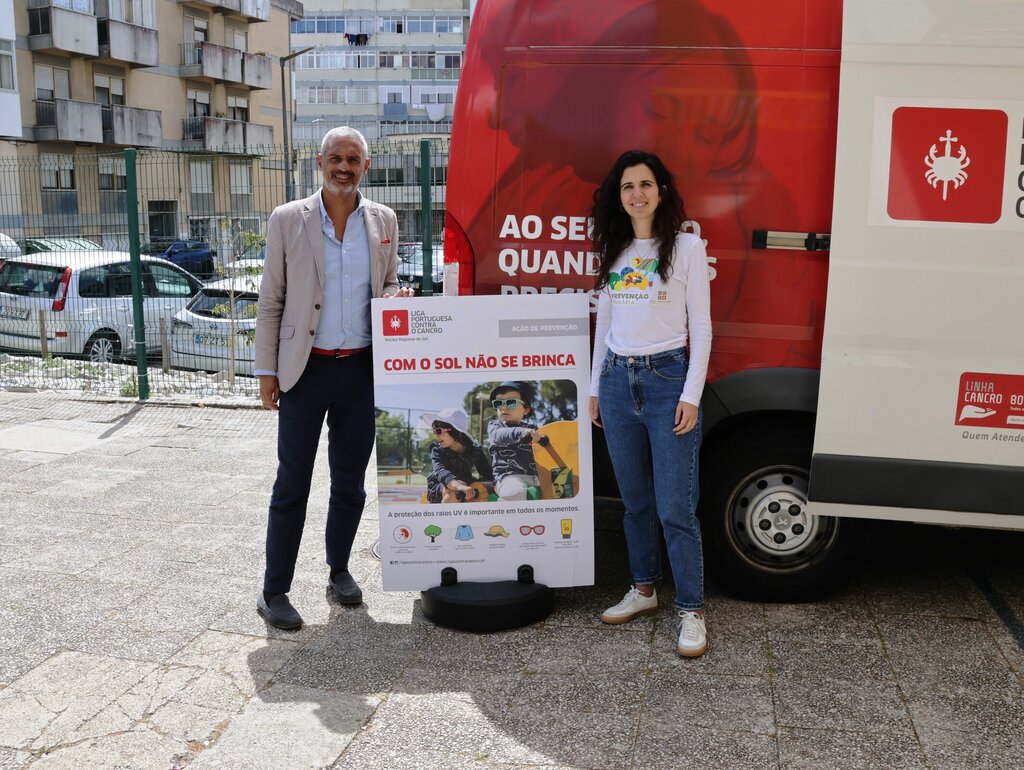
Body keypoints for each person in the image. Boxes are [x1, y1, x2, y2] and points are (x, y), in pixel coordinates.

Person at [254, 126, 414, 630]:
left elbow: (388, 281)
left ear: (366, 166)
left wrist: (395, 297)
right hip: (305, 370)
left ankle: (339, 570)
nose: (344, 167)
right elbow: (271, 301)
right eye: (335, 158)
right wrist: (266, 371)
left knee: (350, 483)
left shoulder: (384, 219)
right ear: (320, 163)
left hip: (362, 370)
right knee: (292, 484)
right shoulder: (288, 219)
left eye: (353, 159)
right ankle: (274, 590)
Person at [588, 150, 713, 658]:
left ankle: (691, 610)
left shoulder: (687, 247)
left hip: (668, 382)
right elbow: (605, 325)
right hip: (618, 383)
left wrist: (691, 395)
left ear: (661, 190)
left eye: (644, 184)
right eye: (627, 187)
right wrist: (595, 388)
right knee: (635, 501)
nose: (636, 194)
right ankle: (644, 589)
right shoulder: (615, 249)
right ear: (618, 197)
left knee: (676, 508)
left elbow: (701, 327)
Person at [422, 407, 493, 503]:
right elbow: (441, 471)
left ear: (455, 431)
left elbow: (488, 473)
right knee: (454, 493)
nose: (435, 435)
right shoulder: (437, 450)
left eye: (438, 431)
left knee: (477, 494)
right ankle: (443, 513)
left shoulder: (474, 450)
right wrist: (458, 486)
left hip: (466, 486)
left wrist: (478, 486)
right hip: (441, 486)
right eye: (434, 431)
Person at [487, 381, 542, 500]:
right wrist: (521, 432)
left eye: (511, 402)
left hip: (536, 476)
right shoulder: (495, 427)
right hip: (508, 477)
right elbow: (499, 435)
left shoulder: (533, 430)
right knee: (515, 493)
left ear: (525, 409)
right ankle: (503, 512)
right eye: (498, 403)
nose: (503, 407)